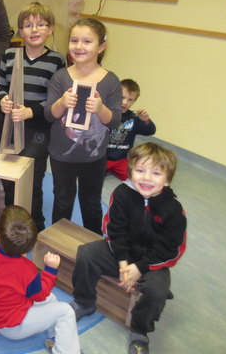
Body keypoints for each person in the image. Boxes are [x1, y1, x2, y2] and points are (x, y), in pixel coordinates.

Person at [69, 142, 187, 354]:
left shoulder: (173, 209)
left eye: (156, 173)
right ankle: (84, 302)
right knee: (87, 254)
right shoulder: (122, 193)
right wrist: (124, 264)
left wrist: (139, 268)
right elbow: (114, 230)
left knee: (156, 292)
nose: (146, 178)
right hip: (120, 254)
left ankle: (140, 330)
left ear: (167, 180)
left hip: (151, 262)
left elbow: (170, 249)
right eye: (140, 170)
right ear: (131, 172)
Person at [0, 205, 81, 354]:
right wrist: (50, 270)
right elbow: (41, 294)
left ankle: (55, 337)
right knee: (66, 311)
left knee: (52, 299)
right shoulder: (27, 269)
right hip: (14, 326)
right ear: (28, 247)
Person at [44, 18, 121, 234]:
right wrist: (61, 103)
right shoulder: (61, 77)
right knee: (62, 202)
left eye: (87, 41)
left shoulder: (110, 81)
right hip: (62, 155)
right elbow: (48, 114)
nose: (79, 46)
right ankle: (57, 243)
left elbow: (115, 121)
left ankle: (93, 246)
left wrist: (100, 108)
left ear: (101, 46)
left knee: (91, 203)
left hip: (94, 157)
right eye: (74, 40)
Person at [0, 2, 65, 231]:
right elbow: (1, 85)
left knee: (31, 177)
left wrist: (31, 111)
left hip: (38, 128)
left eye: (40, 25)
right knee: (7, 175)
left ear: (51, 29)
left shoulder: (56, 61)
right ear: (20, 30)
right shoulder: (9, 55)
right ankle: (10, 223)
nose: (34, 30)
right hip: (9, 125)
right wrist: (3, 99)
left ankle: (35, 224)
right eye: (28, 25)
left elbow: (56, 99)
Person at [106, 79, 157, 181]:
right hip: (102, 157)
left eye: (130, 100)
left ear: (134, 101)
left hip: (122, 160)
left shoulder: (133, 117)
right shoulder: (106, 113)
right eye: (122, 97)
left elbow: (150, 131)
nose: (125, 102)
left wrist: (146, 121)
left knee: (135, 179)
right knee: (91, 177)